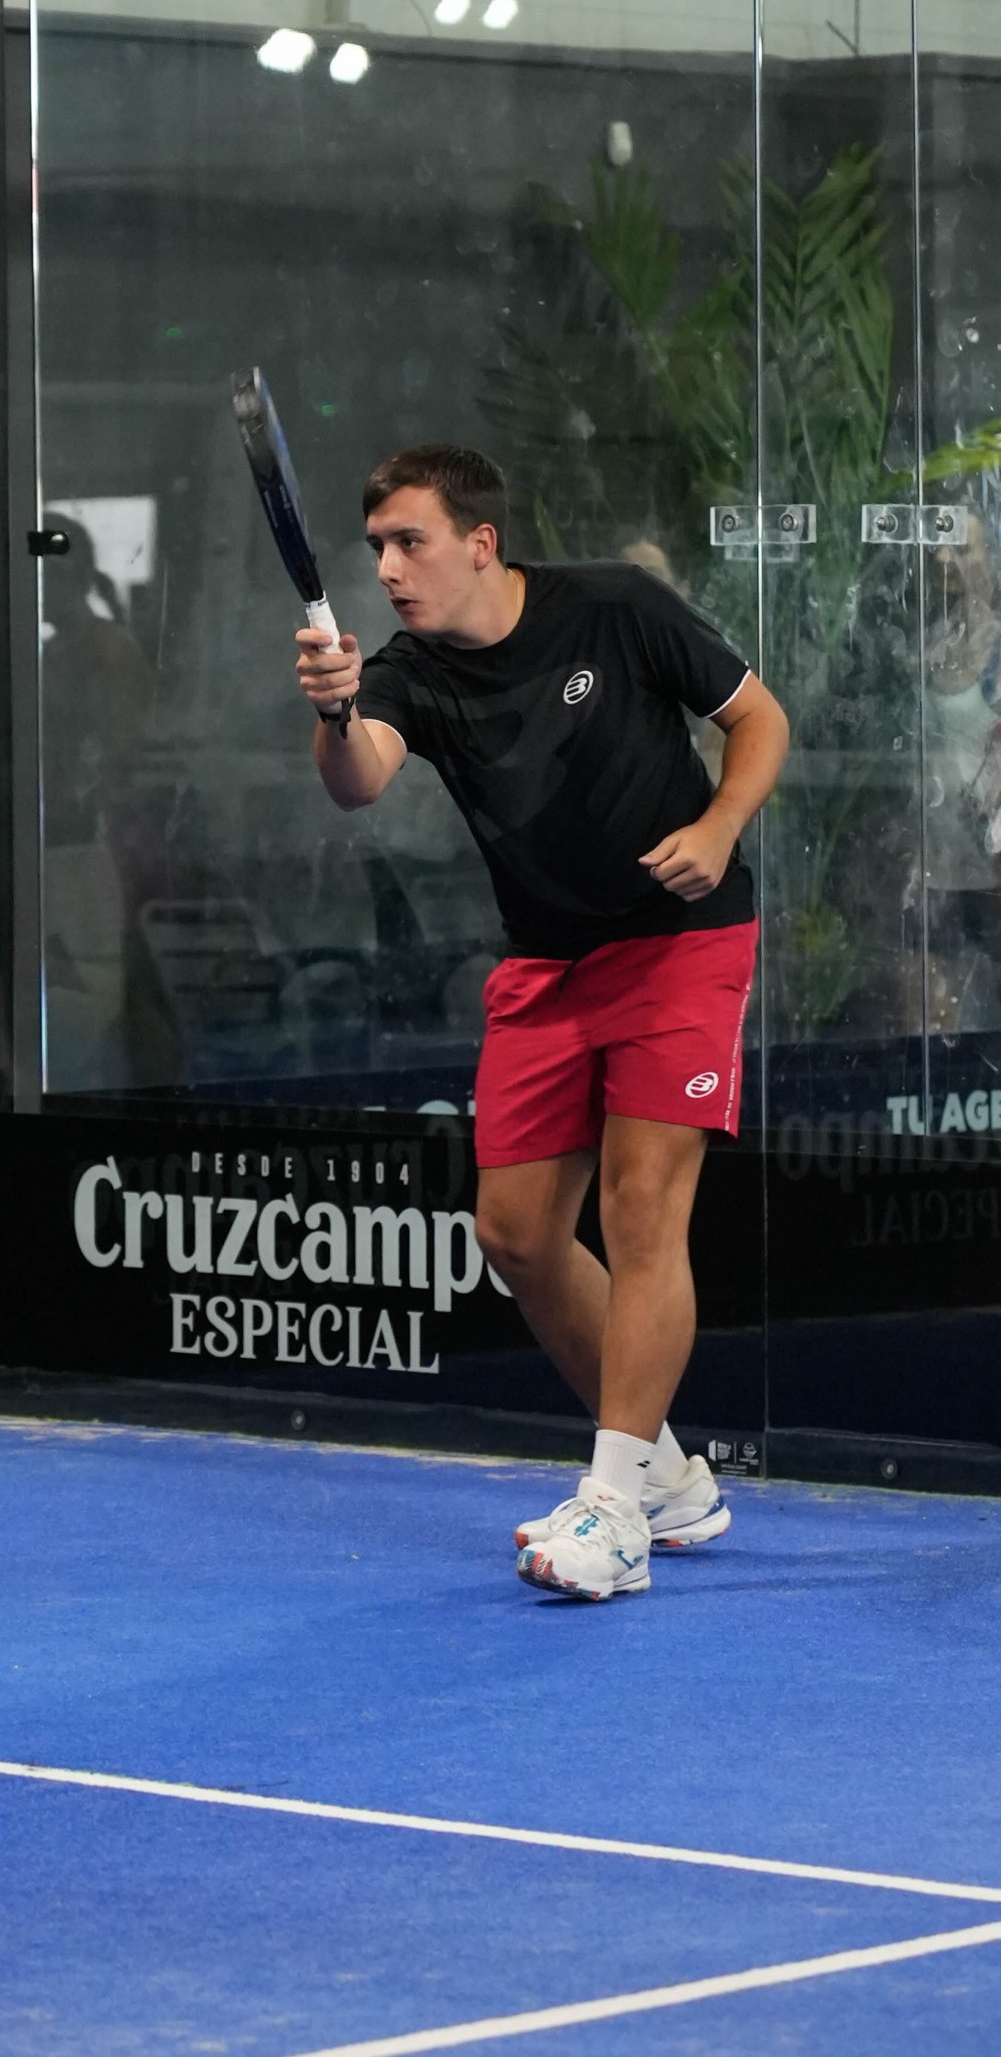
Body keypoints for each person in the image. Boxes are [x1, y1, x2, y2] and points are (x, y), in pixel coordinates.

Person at [295, 443, 790, 1602]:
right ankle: (668, 1479)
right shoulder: (411, 671)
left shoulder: (618, 608)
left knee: (641, 1206)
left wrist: (718, 828)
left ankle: (613, 1512)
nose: (389, 569)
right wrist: (334, 711)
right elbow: (359, 778)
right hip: (547, 964)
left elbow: (759, 719)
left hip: (681, 941)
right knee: (515, 1236)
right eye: (376, 548)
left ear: (480, 542)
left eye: (410, 542)